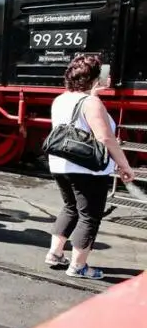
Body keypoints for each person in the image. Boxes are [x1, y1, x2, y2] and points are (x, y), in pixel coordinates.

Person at [44, 54, 134, 279]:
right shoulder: (92, 103)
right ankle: (79, 266)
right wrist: (124, 165)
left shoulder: (62, 99)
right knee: (89, 216)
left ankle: (55, 254)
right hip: (87, 168)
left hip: (60, 165)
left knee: (70, 208)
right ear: (94, 77)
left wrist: (94, 93)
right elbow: (105, 139)